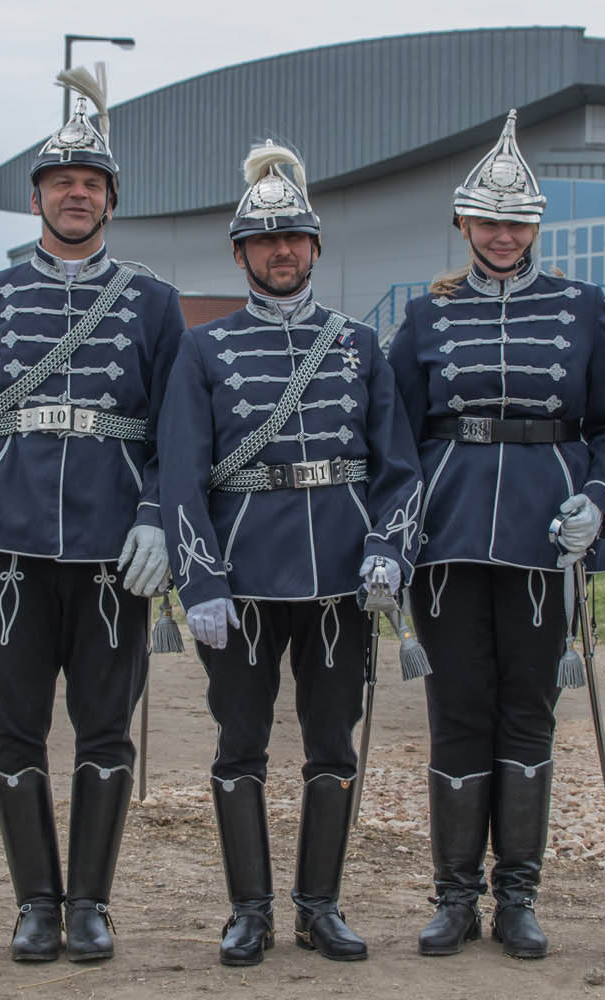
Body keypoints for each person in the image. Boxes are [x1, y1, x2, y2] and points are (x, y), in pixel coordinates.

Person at [0, 66, 183, 964]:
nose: (77, 195)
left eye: (92, 183)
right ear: (36, 197)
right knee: (13, 727)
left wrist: (158, 515)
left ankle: (91, 904)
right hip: (8, 544)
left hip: (115, 549)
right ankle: (36, 902)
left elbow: (176, 432)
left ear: (111, 198)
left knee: (106, 730)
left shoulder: (153, 302)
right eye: (62, 182)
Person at [157, 141, 423, 967]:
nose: (281, 251)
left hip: (342, 579)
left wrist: (388, 548)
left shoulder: (360, 346)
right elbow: (180, 473)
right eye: (265, 240)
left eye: (294, 238)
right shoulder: (204, 349)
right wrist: (199, 579)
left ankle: (320, 907)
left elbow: (398, 468)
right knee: (239, 742)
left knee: (332, 743)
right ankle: (249, 911)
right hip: (240, 581)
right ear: (240, 253)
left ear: (315, 248)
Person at [386, 110, 605, 960]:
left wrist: (598, 499)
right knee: (458, 714)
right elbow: (396, 436)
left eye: (517, 223)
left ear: (536, 226)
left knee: (528, 714)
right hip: (449, 537)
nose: (502, 235)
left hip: (546, 539)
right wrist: (393, 534)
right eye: (488, 222)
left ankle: (518, 897)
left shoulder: (584, 308)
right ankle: (455, 897)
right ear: (464, 224)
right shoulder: (425, 316)